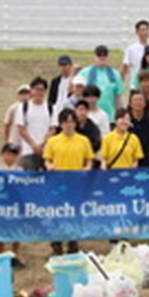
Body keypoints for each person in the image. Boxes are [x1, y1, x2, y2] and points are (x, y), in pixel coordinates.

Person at [44, 108, 95, 255]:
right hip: (57, 184)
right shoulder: (53, 141)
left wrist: (87, 168)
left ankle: (73, 243)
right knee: (57, 213)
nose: (69, 125)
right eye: (66, 122)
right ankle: (56, 244)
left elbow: (89, 159)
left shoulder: (83, 141)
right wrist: (49, 166)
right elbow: (47, 159)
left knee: (75, 213)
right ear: (61, 124)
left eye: (72, 121)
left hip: (76, 184)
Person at [15, 77, 55, 171]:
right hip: (28, 151)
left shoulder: (51, 108)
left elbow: (52, 128)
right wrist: (34, 145)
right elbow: (21, 129)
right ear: (31, 90)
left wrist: (42, 144)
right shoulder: (23, 107)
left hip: (47, 152)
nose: (39, 93)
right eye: (36, 89)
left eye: (42, 90)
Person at [77, 45, 126, 120]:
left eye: (104, 55)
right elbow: (77, 94)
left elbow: (119, 98)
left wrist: (122, 116)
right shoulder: (84, 73)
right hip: (89, 117)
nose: (102, 57)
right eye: (99, 54)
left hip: (110, 117)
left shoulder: (115, 75)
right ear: (94, 57)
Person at [0, 143, 23, 261]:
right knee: (0, 228)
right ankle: (0, 253)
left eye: (13, 154)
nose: (10, 157)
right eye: (8, 154)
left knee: (16, 228)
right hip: (1, 202)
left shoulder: (20, 170)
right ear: (2, 154)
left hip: (15, 201)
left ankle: (14, 254)